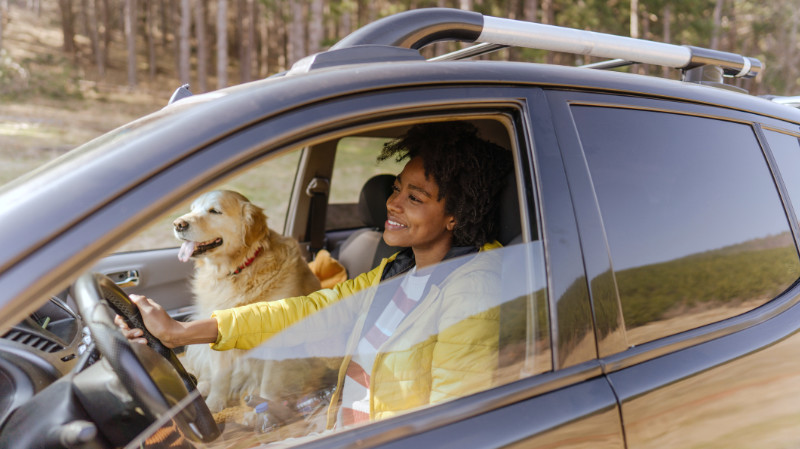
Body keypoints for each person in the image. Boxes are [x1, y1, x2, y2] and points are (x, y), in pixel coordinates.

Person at [117, 121, 515, 429]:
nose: (391, 203)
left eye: (414, 197)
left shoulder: (472, 291)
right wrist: (182, 333)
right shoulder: (398, 270)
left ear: (456, 215)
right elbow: (305, 311)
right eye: (396, 188)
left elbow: (454, 424)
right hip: (340, 424)